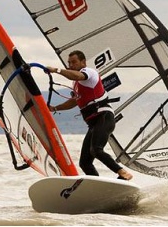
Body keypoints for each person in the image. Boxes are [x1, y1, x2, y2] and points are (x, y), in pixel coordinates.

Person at [46, 50, 133, 181]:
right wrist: (54, 108)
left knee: (96, 150)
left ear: (83, 62)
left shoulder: (89, 73)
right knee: (84, 163)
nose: (71, 65)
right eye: (69, 63)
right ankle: (97, 186)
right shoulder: (76, 84)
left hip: (104, 117)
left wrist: (56, 70)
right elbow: (74, 102)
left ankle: (123, 172)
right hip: (93, 124)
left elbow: (77, 76)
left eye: (74, 62)